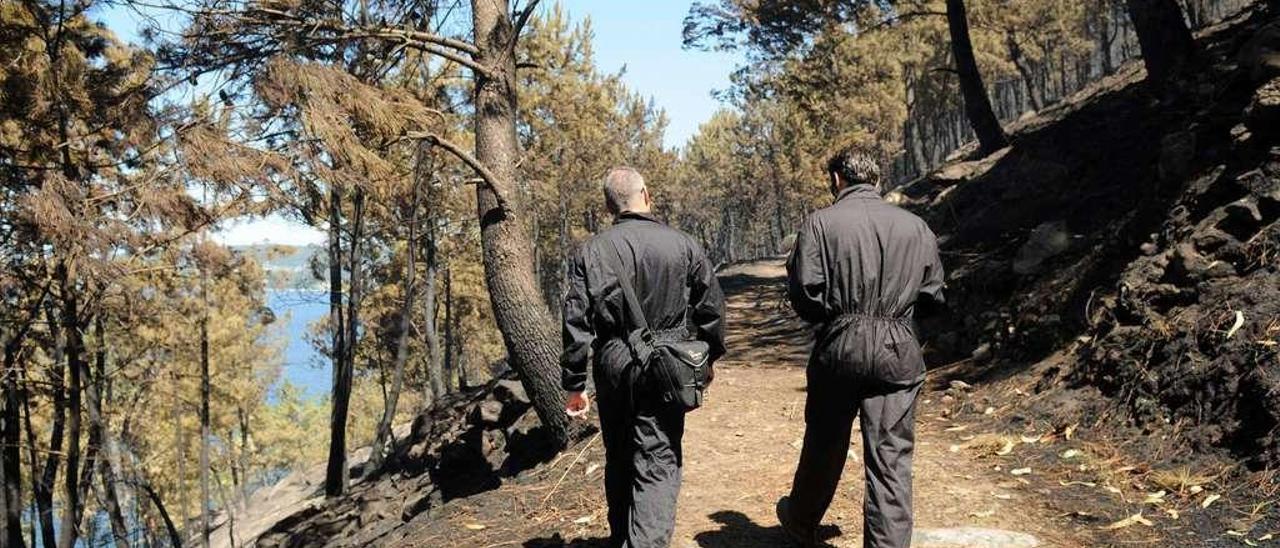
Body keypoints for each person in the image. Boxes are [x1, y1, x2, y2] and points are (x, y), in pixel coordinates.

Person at [776, 145, 946, 548]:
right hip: (898, 346)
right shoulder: (915, 226)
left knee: (825, 439)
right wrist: (898, 320)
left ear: (838, 179)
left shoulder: (820, 222)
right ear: (877, 179)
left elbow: (804, 291)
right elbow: (934, 295)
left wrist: (835, 317)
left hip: (841, 344)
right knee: (891, 458)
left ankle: (800, 520)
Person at [561, 167, 727, 547]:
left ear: (608, 206)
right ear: (647, 195)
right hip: (666, 364)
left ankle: (624, 537)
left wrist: (575, 383)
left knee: (619, 456)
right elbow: (712, 311)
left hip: (613, 362)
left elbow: (575, 321)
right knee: (659, 459)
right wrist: (707, 360)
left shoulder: (591, 251)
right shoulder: (684, 245)